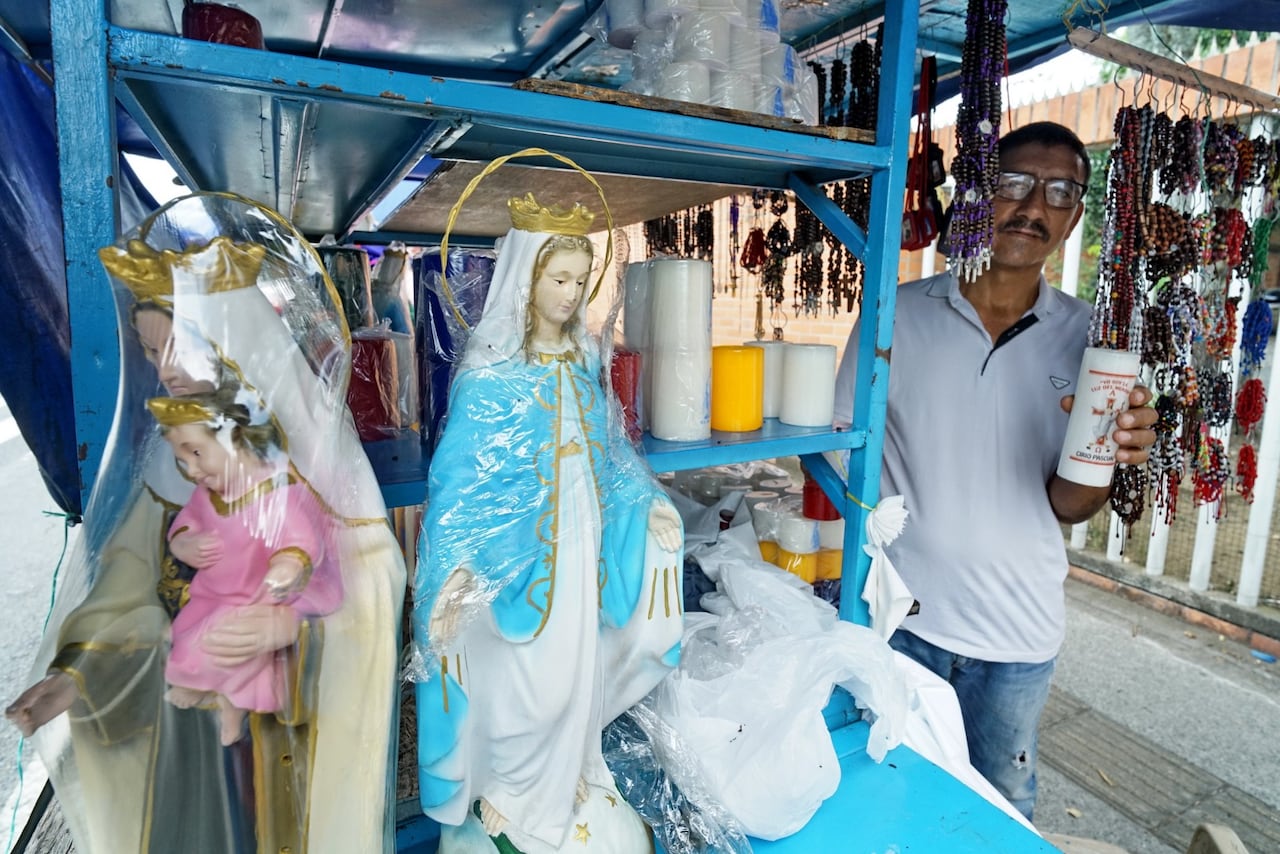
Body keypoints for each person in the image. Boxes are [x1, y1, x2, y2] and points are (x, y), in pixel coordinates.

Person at [7, 196, 407, 854]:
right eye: (149, 351)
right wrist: (79, 674)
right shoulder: (176, 463)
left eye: (175, 347)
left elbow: (371, 586)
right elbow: (128, 582)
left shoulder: (301, 461)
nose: (162, 369)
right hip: (191, 746)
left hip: (285, 737)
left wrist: (293, 622)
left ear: (228, 344)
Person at [833, 121, 1158, 821]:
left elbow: (1068, 505)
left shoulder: (1089, 343)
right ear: (975, 195)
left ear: (1074, 218)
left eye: (1060, 192)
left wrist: (1111, 445)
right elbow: (839, 460)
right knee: (893, 797)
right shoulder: (897, 318)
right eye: (1014, 183)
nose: (1034, 207)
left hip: (1017, 634)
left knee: (1002, 811)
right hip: (904, 620)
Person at [414, 192, 684, 854]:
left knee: (575, 681)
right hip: (520, 563)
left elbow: (614, 460)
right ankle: (509, 794)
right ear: (527, 280)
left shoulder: (582, 364)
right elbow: (458, 486)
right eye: (557, 279)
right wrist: (453, 570)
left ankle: (572, 782)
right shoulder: (490, 376)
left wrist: (651, 507)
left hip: (583, 543)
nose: (569, 294)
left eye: (577, 280)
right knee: (526, 689)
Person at [150, 390, 343, 747]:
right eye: (183, 460)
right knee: (187, 639)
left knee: (222, 646)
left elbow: (300, 542)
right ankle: (220, 695)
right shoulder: (209, 495)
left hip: (253, 598)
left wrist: (287, 565)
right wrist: (183, 542)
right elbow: (186, 521)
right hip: (211, 596)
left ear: (233, 438)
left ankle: (230, 703)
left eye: (196, 453)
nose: (191, 471)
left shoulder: (275, 491)